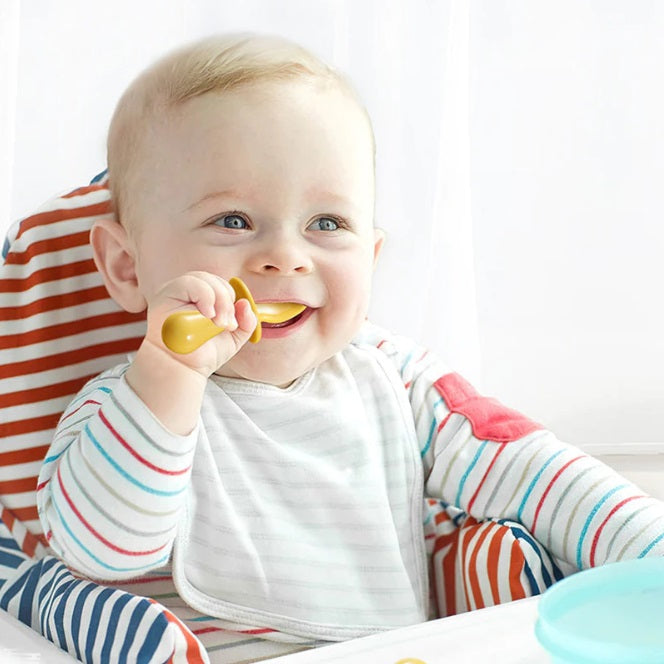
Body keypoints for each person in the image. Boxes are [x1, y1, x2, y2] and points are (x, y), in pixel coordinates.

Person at [37, 33, 664, 661]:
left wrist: (653, 552)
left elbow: (535, 472)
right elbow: (103, 549)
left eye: (327, 224)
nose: (285, 258)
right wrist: (168, 373)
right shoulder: (127, 408)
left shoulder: (396, 380)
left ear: (371, 256)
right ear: (126, 266)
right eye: (232, 221)